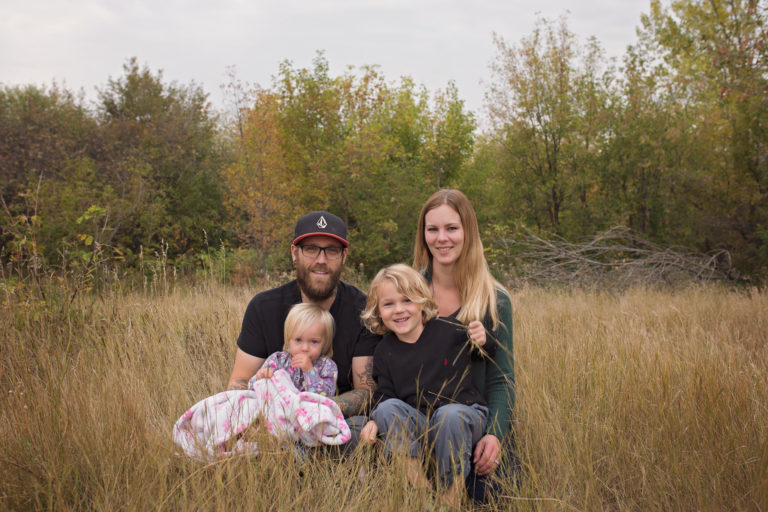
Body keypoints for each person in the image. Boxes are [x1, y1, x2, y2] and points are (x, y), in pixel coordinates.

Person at [227, 211, 380, 431]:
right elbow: (239, 381)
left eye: (332, 251)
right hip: (272, 418)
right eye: (310, 249)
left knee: (360, 429)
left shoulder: (364, 310)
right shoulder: (263, 307)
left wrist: (310, 410)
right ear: (294, 253)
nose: (321, 260)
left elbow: (365, 392)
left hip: (334, 419)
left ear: (343, 257)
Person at [359, 264, 496, 509]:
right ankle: (423, 495)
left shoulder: (450, 331)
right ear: (378, 311)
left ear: (422, 301)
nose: (399, 310)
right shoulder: (384, 350)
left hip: (464, 416)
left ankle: (451, 498)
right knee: (386, 409)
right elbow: (385, 394)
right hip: (422, 424)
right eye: (388, 304)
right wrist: (374, 418)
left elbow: (485, 355)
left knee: (449, 415)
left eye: (407, 300)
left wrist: (483, 340)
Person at [413, 189, 517, 503]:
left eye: (451, 228)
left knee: (489, 497)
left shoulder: (494, 299)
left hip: (472, 427)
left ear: (467, 231)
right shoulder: (408, 293)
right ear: (423, 235)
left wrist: (495, 435)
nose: (441, 238)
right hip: (419, 427)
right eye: (433, 229)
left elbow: (502, 380)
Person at [254, 302, 338, 397]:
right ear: (288, 339)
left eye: (314, 342)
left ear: (325, 343)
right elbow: (252, 387)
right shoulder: (278, 360)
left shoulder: (327, 366)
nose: (305, 348)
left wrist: (309, 371)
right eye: (298, 340)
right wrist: (261, 377)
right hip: (279, 407)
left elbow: (325, 396)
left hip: (309, 409)